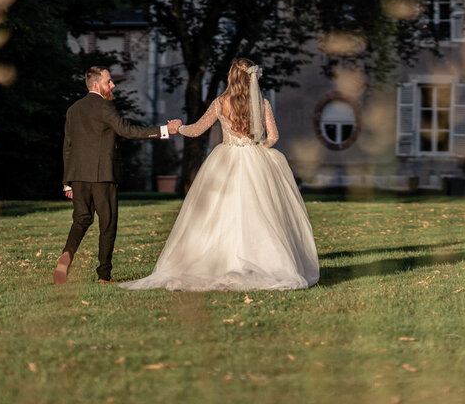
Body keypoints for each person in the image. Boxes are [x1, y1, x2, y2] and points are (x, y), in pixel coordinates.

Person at [120, 58, 319, 291]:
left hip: (226, 159)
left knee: (217, 212)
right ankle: (267, 262)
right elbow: (273, 138)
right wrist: (257, 147)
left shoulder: (221, 102)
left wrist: (178, 127)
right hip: (255, 160)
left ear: (232, 77)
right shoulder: (262, 103)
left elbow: (196, 130)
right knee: (260, 212)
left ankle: (216, 261)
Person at [53, 66, 180, 284]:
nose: (113, 85)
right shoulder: (105, 106)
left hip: (78, 176)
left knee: (81, 220)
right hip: (103, 176)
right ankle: (104, 276)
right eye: (109, 82)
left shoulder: (73, 109)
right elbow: (127, 130)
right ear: (96, 85)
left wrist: (67, 183)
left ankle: (66, 256)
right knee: (108, 224)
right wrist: (164, 130)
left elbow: (68, 146)